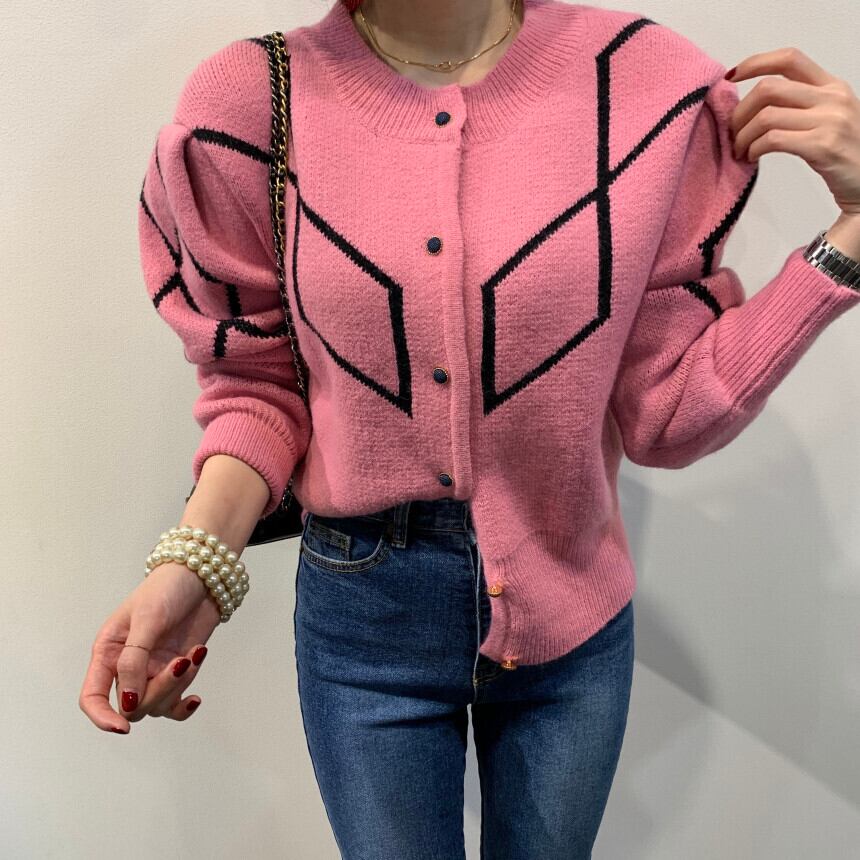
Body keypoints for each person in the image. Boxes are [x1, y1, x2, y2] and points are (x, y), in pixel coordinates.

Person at [80, 0, 860, 856]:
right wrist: (193, 566)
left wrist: (849, 240)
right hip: (363, 624)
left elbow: (667, 415)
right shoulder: (250, 104)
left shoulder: (645, 86)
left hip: (573, 615)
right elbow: (256, 386)